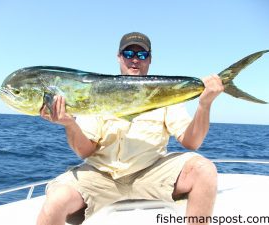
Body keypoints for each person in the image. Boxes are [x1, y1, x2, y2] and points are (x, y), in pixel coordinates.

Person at [37, 32, 223, 225]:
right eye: (128, 54)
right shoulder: (96, 91)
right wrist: (70, 123)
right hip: (101, 176)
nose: (135, 60)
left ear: (149, 59)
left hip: (150, 174)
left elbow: (192, 142)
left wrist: (204, 105)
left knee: (204, 170)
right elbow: (85, 150)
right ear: (119, 56)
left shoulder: (164, 94)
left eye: (142, 55)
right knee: (56, 201)